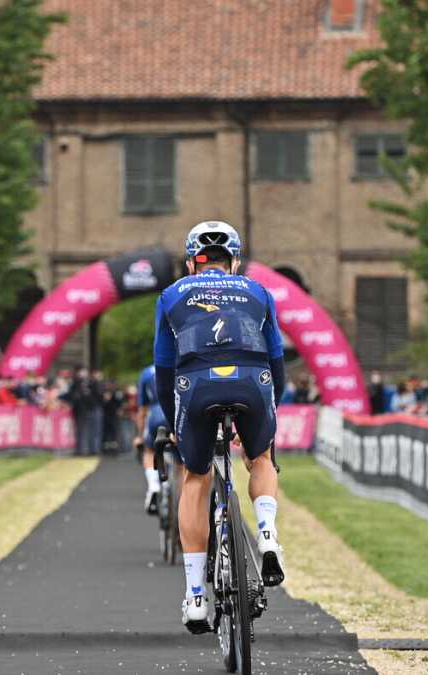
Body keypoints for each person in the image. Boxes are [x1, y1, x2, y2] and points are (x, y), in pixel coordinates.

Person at [153, 220, 286, 635]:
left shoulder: (171, 293)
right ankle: (266, 533)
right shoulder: (258, 291)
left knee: (196, 476)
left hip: (196, 386)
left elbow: (164, 367)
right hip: (252, 381)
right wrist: (268, 416)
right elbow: (278, 361)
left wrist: (171, 422)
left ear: (193, 262)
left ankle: (195, 596)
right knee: (260, 456)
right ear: (235, 261)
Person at [135, 364, 168, 514]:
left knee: (149, 450)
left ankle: (154, 486)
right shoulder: (182, 363)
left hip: (155, 414)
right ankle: (180, 498)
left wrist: (140, 436)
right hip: (176, 413)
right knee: (182, 461)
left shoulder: (147, 373)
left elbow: (142, 410)